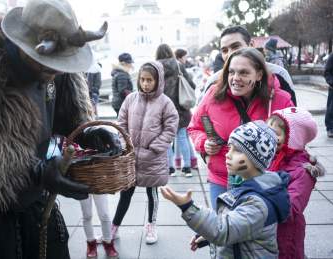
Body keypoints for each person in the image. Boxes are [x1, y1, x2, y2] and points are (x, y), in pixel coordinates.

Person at [0, 0, 122, 258]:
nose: (55, 73)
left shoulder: (57, 70)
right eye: (47, 65)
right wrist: (37, 173)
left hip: (36, 203)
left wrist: (86, 132)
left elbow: (65, 113)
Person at [161, 121, 290, 258]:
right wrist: (208, 235)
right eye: (230, 148)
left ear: (257, 160)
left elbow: (223, 230)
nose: (228, 154)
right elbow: (235, 226)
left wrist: (188, 206)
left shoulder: (258, 204)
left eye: (238, 150)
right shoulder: (243, 185)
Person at [188, 47, 294, 210]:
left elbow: (294, 141)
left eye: (244, 73)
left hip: (262, 184)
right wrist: (204, 144)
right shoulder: (213, 95)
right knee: (222, 231)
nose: (235, 78)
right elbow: (194, 128)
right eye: (231, 72)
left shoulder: (280, 100)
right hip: (221, 180)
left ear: (259, 74)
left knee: (255, 234)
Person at [111, 61, 178, 244]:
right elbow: (121, 122)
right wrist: (125, 144)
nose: (146, 83)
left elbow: (170, 129)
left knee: (152, 195)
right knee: (125, 193)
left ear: (158, 81)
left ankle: (151, 225)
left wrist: (155, 148)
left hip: (152, 159)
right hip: (131, 158)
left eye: (150, 80)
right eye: (142, 79)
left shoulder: (165, 103)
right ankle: (114, 227)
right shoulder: (131, 99)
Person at [267, 107, 325, 259]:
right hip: (268, 231)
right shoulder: (273, 158)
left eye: (275, 134)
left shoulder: (303, 171)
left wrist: (261, 201)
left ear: (293, 139)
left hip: (286, 235)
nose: (269, 137)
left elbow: (290, 209)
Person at [200, 25, 297, 105]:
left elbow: (293, 119)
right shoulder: (214, 81)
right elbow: (201, 120)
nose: (229, 54)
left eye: (235, 46)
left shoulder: (279, 74)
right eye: (225, 50)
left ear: (251, 45)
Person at [156, 44, 197, 177]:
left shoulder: (155, 67)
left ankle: (170, 168)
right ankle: (186, 168)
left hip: (163, 108)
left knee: (167, 139)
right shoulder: (178, 65)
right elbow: (192, 85)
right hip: (180, 107)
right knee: (182, 137)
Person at [324, 52, 333, 138]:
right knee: (331, 109)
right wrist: (331, 82)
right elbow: (327, 72)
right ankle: (330, 128)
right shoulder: (332, 56)